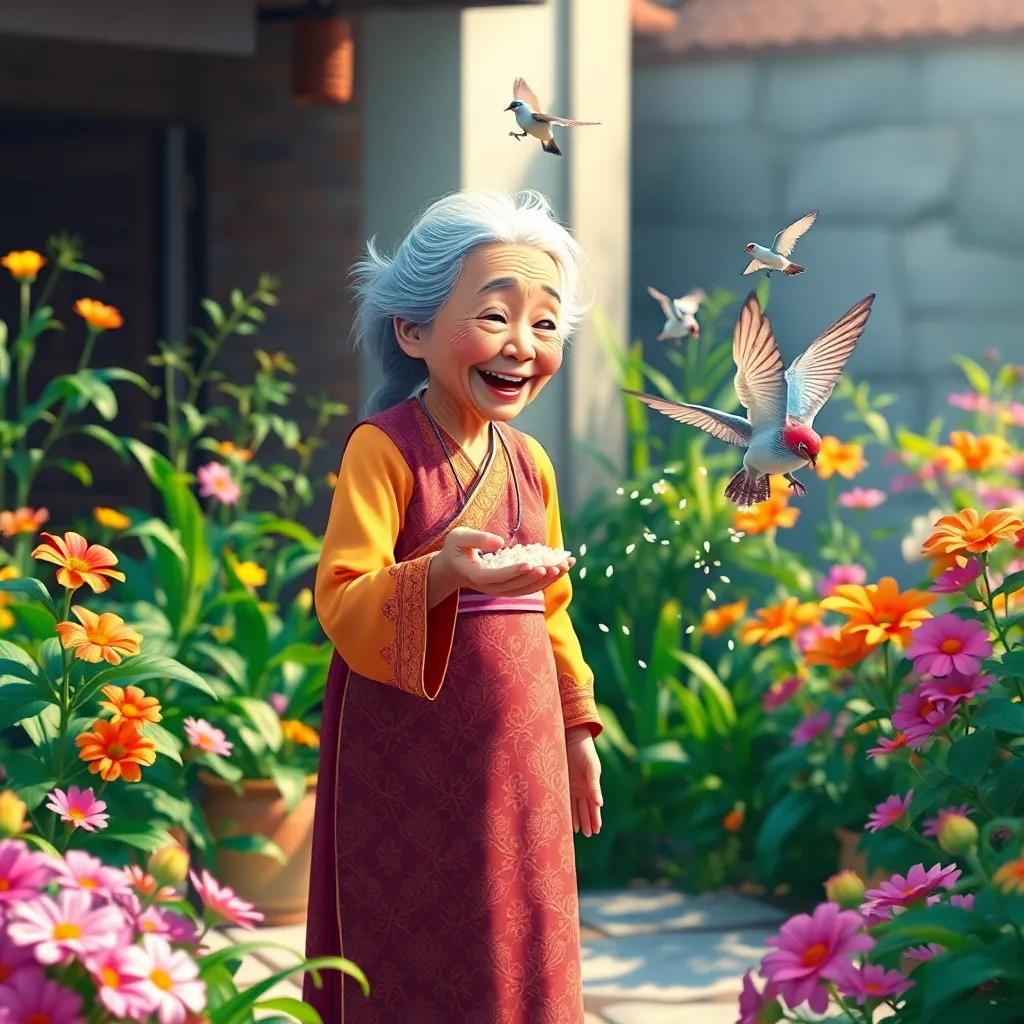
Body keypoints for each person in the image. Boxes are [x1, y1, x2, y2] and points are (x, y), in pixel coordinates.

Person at [302, 189, 604, 1023]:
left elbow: (553, 612)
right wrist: (441, 572)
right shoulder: (384, 449)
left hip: (523, 749)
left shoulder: (530, 462)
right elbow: (343, 594)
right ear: (413, 331)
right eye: (497, 315)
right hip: (407, 748)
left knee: (520, 924)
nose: (522, 346)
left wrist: (578, 730)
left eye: (546, 325)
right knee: (418, 933)